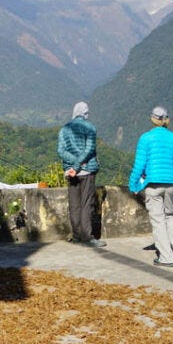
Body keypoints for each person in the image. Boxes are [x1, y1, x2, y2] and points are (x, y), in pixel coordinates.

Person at [128, 106, 173, 267]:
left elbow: (139, 165)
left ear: (152, 119)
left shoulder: (145, 138)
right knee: (169, 215)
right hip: (171, 184)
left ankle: (166, 258)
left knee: (158, 220)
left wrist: (133, 184)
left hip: (153, 184)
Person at [57, 101, 106, 247]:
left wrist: (73, 166)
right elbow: (89, 149)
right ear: (85, 113)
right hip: (86, 170)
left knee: (74, 204)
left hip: (71, 172)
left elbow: (61, 151)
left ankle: (77, 235)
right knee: (86, 203)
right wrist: (78, 165)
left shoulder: (64, 129)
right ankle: (87, 237)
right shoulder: (90, 128)